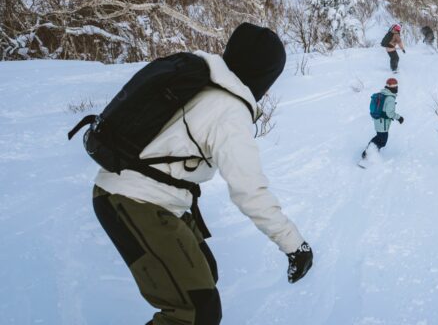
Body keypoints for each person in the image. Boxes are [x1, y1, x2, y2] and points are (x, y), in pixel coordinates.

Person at [91, 23, 312, 325]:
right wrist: (294, 244)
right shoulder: (230, 110)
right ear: (263, 75)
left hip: (139, 193)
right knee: (196, 312)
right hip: (135, 200)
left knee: (205, 274)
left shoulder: (204, 84)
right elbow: (250, 191)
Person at [361, 77, 404, 161]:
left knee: (379, 137)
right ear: (393, 88)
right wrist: (399, 118)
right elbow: (390, 113)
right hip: (383, 123)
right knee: (382, 141)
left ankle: (369, 151)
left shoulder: (383, 94)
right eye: (396, 87)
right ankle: (368, 153)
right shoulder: (390, 98)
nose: (397, 88)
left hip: (378, 121)